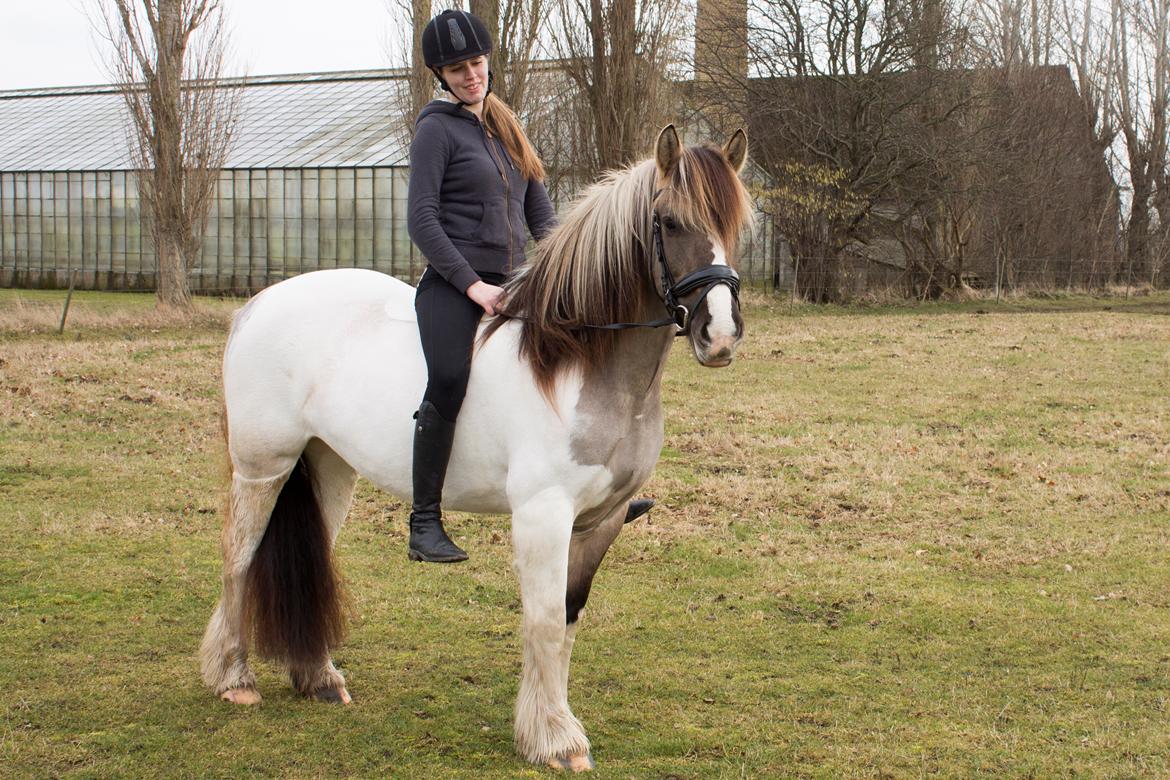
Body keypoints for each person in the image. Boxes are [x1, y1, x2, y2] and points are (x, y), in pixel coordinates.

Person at [405, 9, 652, 563]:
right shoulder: (435, 131)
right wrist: (472, 287)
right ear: (440, 76)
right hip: (454, 284)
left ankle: (599, 492)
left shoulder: (506, 124)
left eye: (476, 63)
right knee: (448, 376)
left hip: (518, 282)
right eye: (457, 69)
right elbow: (421, 220)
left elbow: (540, 216)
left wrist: (569, 269)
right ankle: (424, 520)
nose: (471, 75)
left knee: (585, 346)